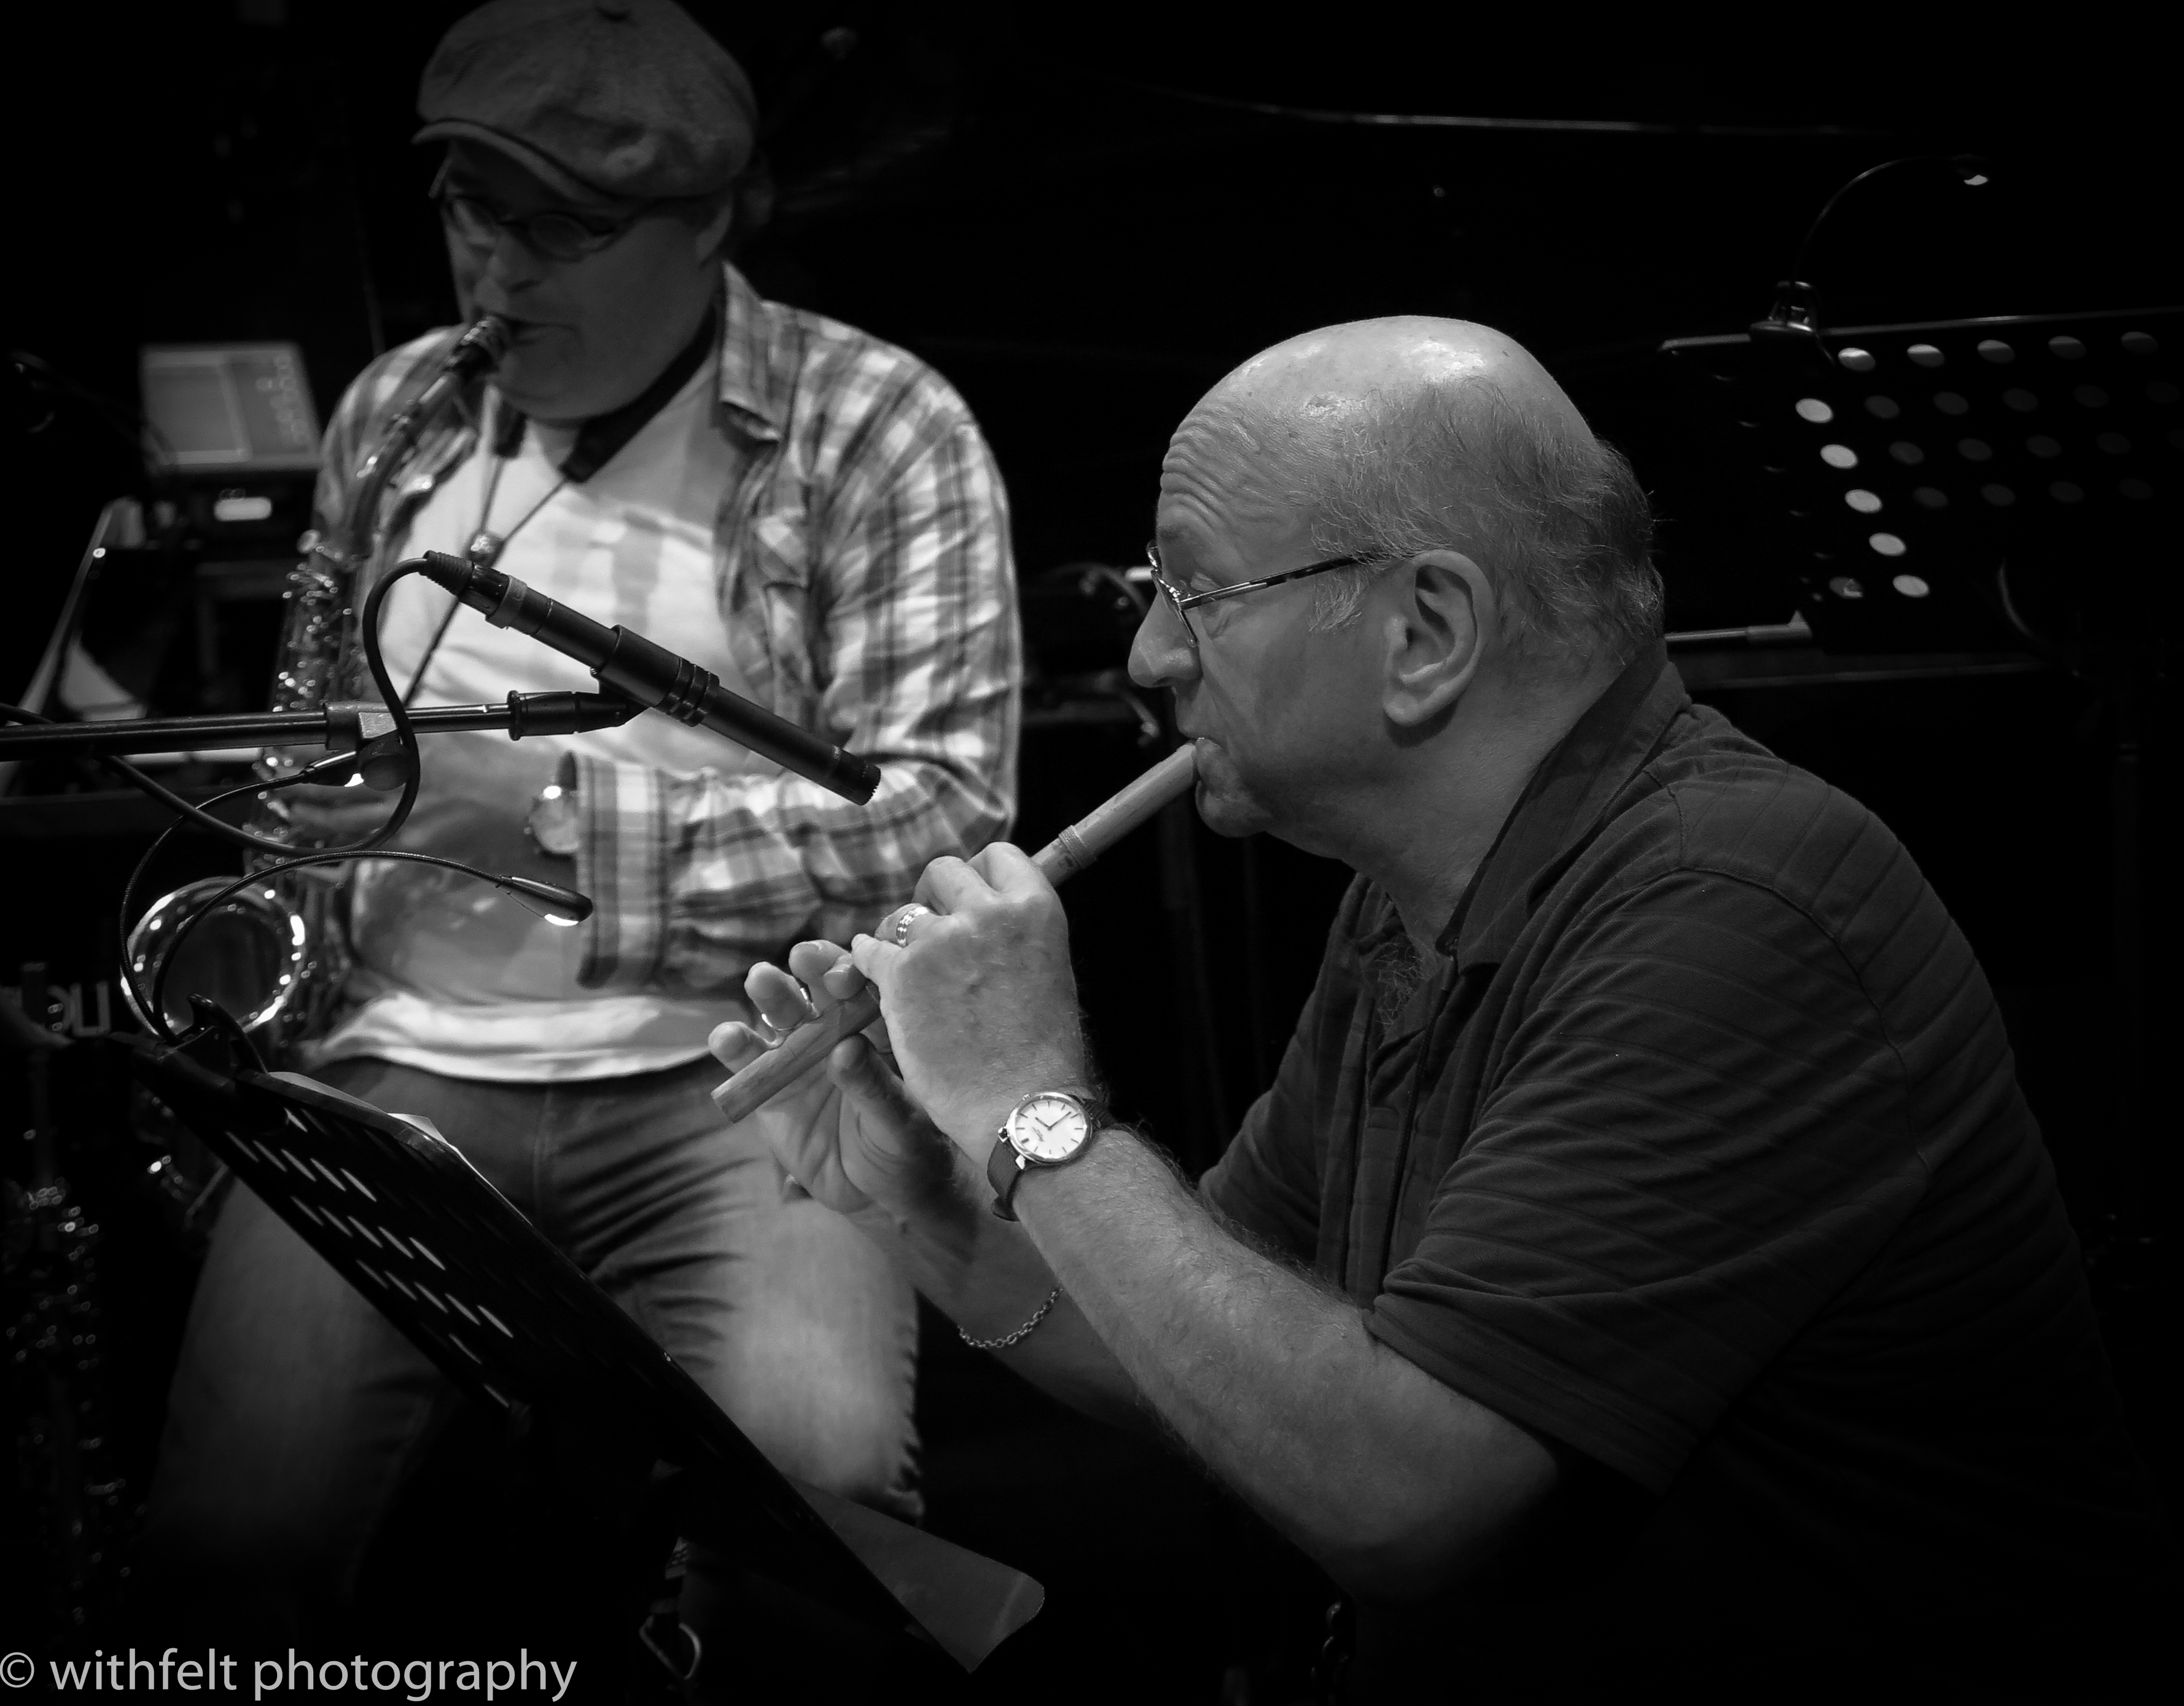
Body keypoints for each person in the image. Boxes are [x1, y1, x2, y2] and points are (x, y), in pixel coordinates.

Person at [712, 318, 2175, 1700]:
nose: (1152, 658)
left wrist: (1030, 1102)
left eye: (1194, 593)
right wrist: (928, 1205)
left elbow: (1403, 1506)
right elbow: (1221, 1377)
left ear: (1425, 631)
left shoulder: (1738, 905)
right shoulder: (1412, 894)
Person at [142, 0, 1020, 1646]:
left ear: (707, 226)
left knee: (815, 1500)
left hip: (744, 1071)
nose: (499, 268)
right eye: (474, 213)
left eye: (559, 228)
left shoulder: (875, 424)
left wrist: (529, 813)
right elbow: (315, 732)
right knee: (217, 1557)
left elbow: (948, 830)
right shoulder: (396, 407)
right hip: (395, 1068)